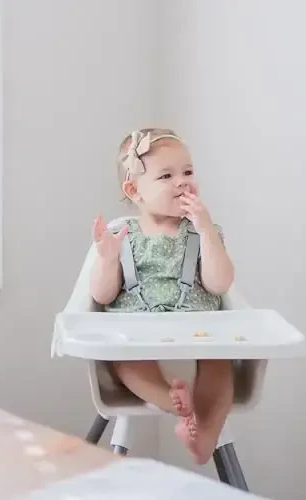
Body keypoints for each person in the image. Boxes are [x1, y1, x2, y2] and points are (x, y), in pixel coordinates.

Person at [89, 128, 235, 465]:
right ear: (134, 190)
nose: (182, 182)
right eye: (167, 176)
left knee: (220, 366)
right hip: (138, 331)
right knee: (126, 363)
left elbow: (220, 284)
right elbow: (102, 295)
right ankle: (174, 402)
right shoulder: (122, 236)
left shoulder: (202, 231)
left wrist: (206, 229)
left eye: (188, 172)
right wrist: (108, 259)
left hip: (199, 329)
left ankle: (204, 438)